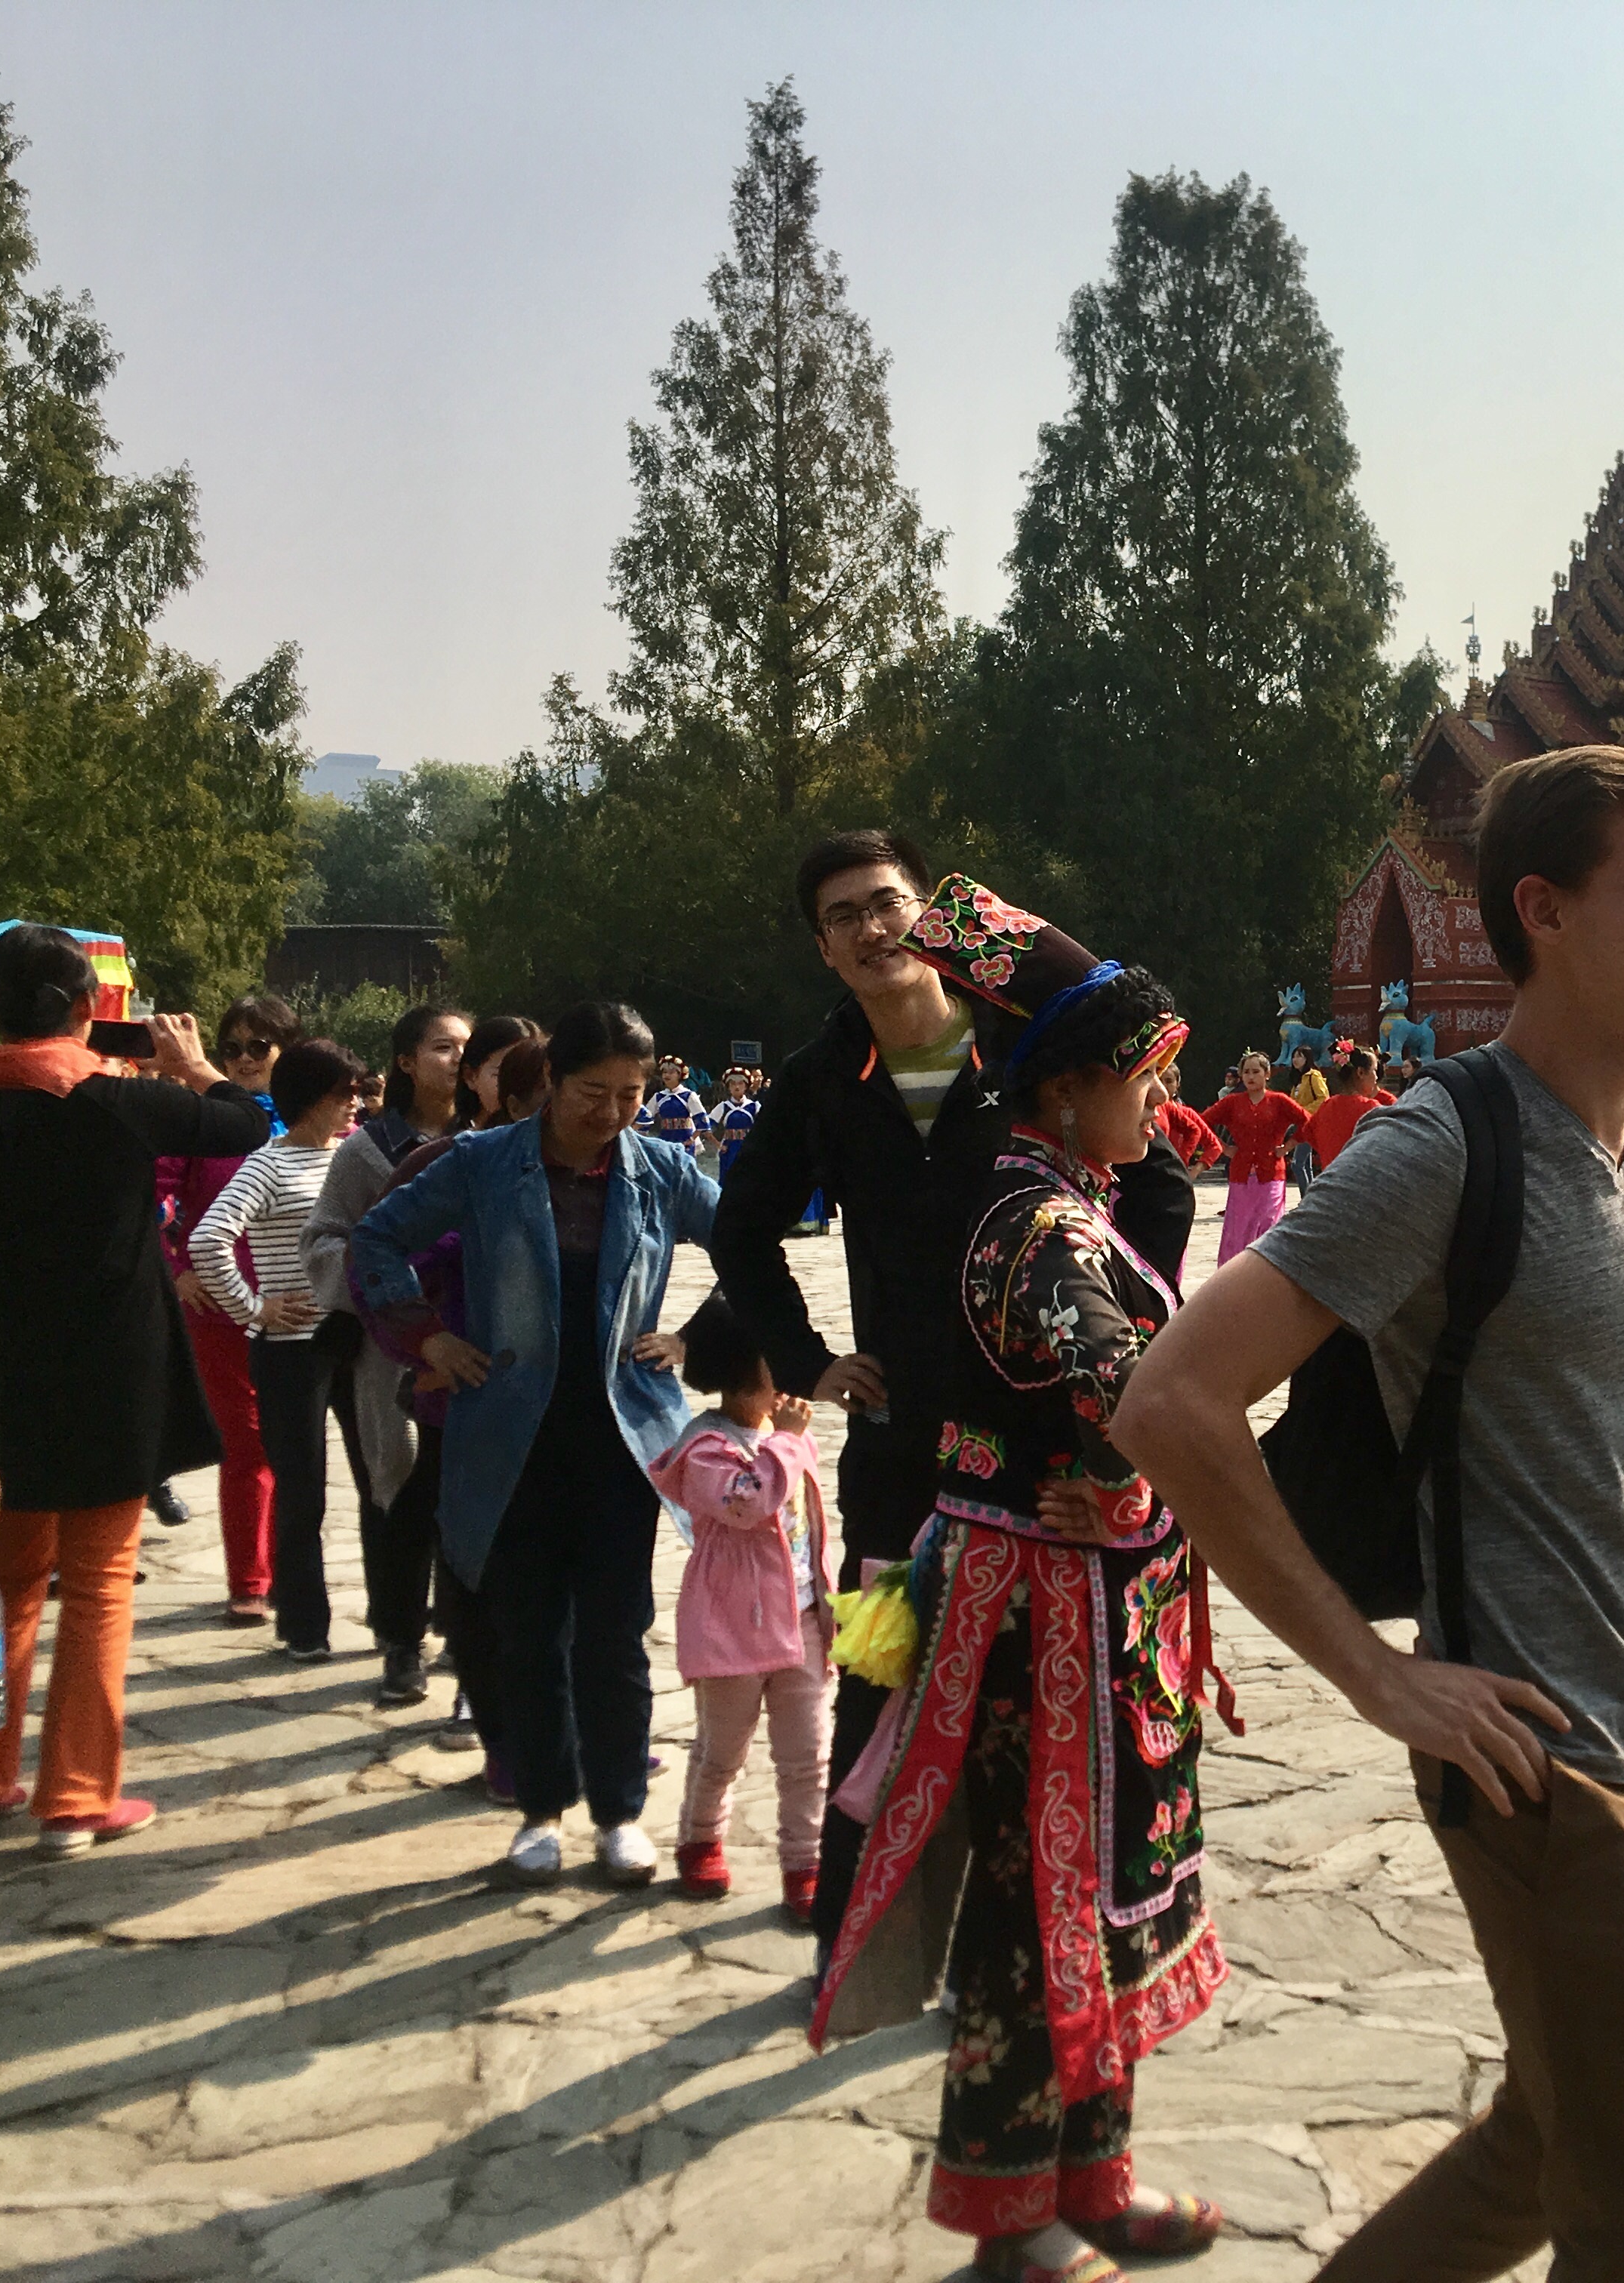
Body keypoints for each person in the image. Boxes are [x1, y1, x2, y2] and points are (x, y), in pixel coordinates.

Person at [1112, 743, 1624, 2283]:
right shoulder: (1444, 1144)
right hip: (1539, 1766)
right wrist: (1378, 1677)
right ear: (1543, 909)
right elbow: (1170, 1401)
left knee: (1548, 2139)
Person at [807, 880, 1229, 2279]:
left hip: (1088, 1608)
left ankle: (1091, 2178)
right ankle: (1014, 2216)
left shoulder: (1061, 1201)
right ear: (1067, 1084)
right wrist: (1133, 1473)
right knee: (1038, 1901)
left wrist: (1127, 1482)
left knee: (1089, 1896)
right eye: (1146, 1076)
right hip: (1044, 1619)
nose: (1163, 1102)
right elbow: (1127, 1385)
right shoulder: (1040, 1225)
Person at [708, 827, 1190, 1951]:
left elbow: (1161, 1185)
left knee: (1039, 1703)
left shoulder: (1028, 1047)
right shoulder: (819, 1078)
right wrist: (809, 1362)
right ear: (823, 949)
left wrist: (1118, 1339)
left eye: (887, 903)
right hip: (899, 1440)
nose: (871, 929)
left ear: (929, 914)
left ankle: (1024, 1950)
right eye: (841, 917)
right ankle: (861, 1946)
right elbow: (741, 1230)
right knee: (878, 1679)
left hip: (1033, 1448)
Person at [350, 1001, 718, 1888]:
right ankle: (541, 1812)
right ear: (551, 1079)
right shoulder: (483, 1163)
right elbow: (376, 1239)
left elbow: (746, 1243)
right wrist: (429, 1338)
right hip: (509, 1434)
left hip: (620, 1435)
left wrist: (693, 1339)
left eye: (631, 1094)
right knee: (528, 1630)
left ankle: (620, 1812)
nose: (613, 1112)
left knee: (616, 1632)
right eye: (594, 1091)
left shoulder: (660, 1169)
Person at [0, 924, 270, 1855]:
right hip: (111, 1376)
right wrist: (195, 1067)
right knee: (95, 1587)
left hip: (0, 1379)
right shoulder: (123, 1103)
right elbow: (251, 1124)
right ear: (90, 1006)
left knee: (7, 1585)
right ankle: (77, 1797)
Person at [359, 1031, 553, 1767]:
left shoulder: (607, 1172)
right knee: (468, 1549)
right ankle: (470, 1687)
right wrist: (427, 1342)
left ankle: (556, 1705)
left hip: (558, 1404)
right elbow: (375, 1252)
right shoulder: (456, 1166)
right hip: (468, 1402)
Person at [304, 1000, 472, 1708]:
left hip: (469, 1351)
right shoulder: (366, 1152)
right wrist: (386, 1281)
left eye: (466, 1047)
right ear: (406, 1061)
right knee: (397, 1490)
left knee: (464, 1495)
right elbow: (324, 1238)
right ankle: (401, 1641)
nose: (457, 1060)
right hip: (391, 1353)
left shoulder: (487, 1143)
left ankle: (463, 1635)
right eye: (442, 1047)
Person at [654, 1294, 830, 1924]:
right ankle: (701, 1838)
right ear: (738, 1373)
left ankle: (806, 1864)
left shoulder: (784, 1439)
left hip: (801, 1622)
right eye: (774, 1361)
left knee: (808, 1757)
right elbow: (746, 1504)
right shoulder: (705, 1450)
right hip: (731, 1628)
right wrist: (786, 1444)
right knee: (722, 1750)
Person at [191, 1040, 366, 1662]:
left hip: (355, 1338)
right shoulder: (266, 1164)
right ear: (312, 1098)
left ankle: (392, 1617)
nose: (355, 1103)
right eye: (344, 1093)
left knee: (380, 1480)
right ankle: (303, 1624)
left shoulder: (352, 1156)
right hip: (291, 1348)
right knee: (302, 1492)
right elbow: (208, 1240)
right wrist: (253, 1308)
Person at [162, 990, 300, 1621]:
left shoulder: (314, 1123)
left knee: (293, 1451)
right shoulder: (203, 1122)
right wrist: (178, 1269)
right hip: (221, 1310)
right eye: (232, 1048)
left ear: (288, 1049)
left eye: (259, 1046)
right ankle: (250, 1581)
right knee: (248, 1447)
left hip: (297, 1312)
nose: (245, 1059)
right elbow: (155, 1198)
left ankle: (292, 1573)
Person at [1200, 1051, 1306, 1261]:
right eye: (1246, 1072)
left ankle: (1266, 1271)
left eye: (1256, 1072)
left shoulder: (1279, 1101)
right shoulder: (1232, 1102)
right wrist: (1223, 1148)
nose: (1250, 1076)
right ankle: (1236, 1274)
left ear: (1267, 1074)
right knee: (1239, 1229)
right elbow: (1200, 1123)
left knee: (1269, 1227)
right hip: (1241, 1175)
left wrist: (1288, 1146)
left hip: (1272, 1173)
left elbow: (1308, 1122)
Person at [1303, 1042, 1389, 1176]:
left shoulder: (1327, 1105)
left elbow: (1308, 1132)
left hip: (1330, 1178)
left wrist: (1329, 1153)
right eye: (1374, 1070)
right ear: (1361, 1072)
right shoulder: (1371, 1109)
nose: (1376, 1077)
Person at [710, 1064, 759, 1173]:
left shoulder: (754, 1107)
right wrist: (718, 1145)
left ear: (746, 1086)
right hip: (729, 1149)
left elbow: (765, 1126)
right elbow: (706, 1126)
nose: (737, 1087)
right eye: (733, 1084)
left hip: (748, 1148)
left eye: (740, 1083)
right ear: (728, 1087)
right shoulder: (724, 1107)